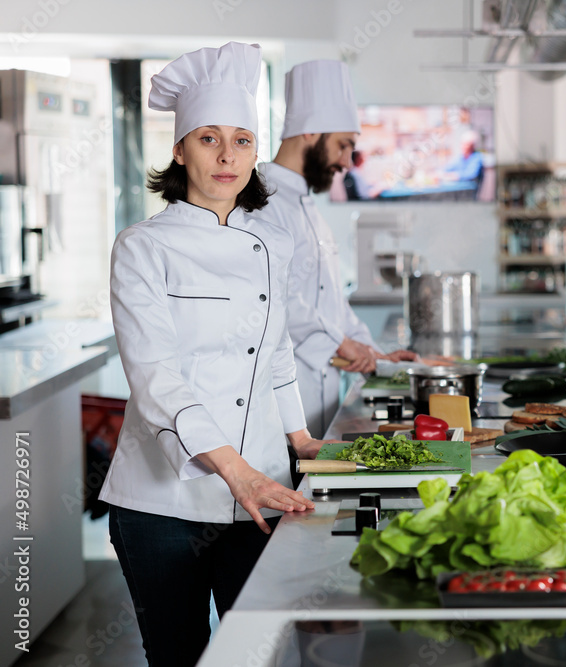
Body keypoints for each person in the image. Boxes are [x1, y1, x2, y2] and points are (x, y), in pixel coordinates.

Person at [99, 42, 329, 666]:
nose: (228, 156)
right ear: (179, 149)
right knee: (179, 658)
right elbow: (156, 382)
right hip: (161, 504)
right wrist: (238, 471)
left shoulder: (271, 242)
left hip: (261, 490)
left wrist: (301, 440)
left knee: (257, 653)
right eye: (208, 138)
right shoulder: (142, 247)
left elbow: (276, 351)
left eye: (243, 140)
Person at [258, 60, 417, 438]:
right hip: (283, 404)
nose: (347, 162)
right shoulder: (262, 202)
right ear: (309, 132)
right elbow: (277, 300)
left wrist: (374, 353)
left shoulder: (309, 207)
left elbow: (332, 305)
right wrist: (342, 345)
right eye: (343, 145)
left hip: (322, 397)